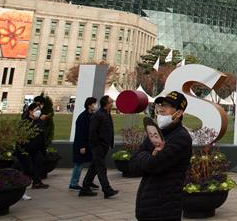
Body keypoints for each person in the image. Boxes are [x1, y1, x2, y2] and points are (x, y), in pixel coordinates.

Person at [130, 91, 193, 221]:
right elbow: (133, 163)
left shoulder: (181, 138)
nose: (161, 109)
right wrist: (149, 157)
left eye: (167, 106)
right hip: (147, 206)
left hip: (164, 210)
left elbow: (154, 165)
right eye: (161, 105)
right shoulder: (156, 133)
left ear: (179, 113)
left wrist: (147, 158)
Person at [79, 95, 118, 199]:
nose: (112, 103)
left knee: (94, 168)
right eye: (111, 102)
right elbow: (92, 132)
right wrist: (97, 144)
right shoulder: (98, 115)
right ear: (106, 104)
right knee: (101, 168)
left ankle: (85, 188)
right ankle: (107, 189)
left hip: (103, 146)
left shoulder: (107, 114)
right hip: (98, 146)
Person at [17, 101, 49, 189]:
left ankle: (37, 182)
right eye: (36, 110)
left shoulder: (38, 121)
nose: (38, 111)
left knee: (39, 163)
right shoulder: (25, 122)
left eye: (39, 110)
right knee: (28, 168)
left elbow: (42, 135)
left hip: (36, 149)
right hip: (26, 149)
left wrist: (43, 149)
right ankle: (22, 184)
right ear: (30, 111)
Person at [69, 97, 98, 191]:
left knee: (93, 163)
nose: (95, 105)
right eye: (94, 103)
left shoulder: (92, 116)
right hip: (82, 144)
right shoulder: (82, 117)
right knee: (79, 164)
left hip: (89, 144)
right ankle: (73, 183)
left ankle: (88, 181)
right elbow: (80, 133)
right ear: (89, 105)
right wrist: (82, 146)